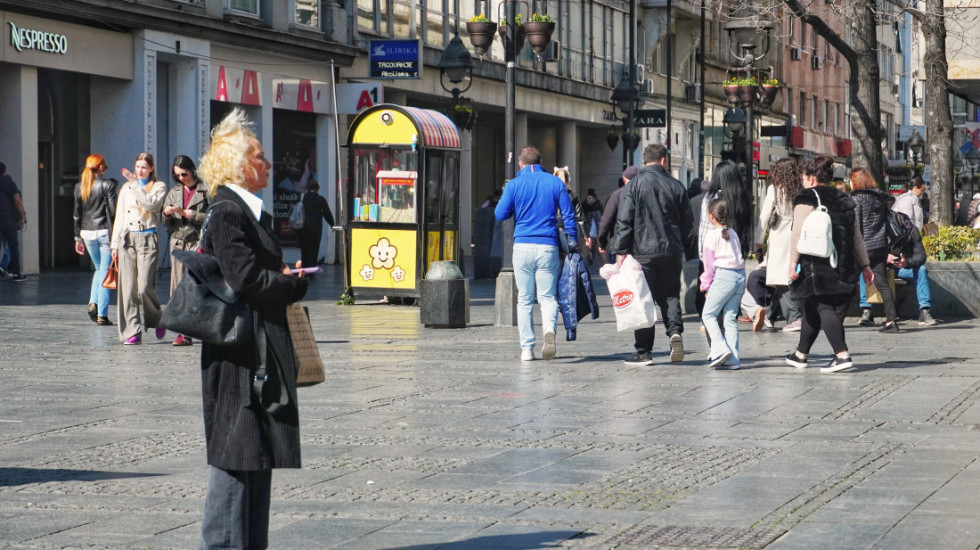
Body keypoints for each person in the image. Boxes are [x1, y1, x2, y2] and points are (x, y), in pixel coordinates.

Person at [196, 108, 309, 550]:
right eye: (260, 156)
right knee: (237, 452)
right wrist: (290, 285)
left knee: (256, 452)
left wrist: (282, 276)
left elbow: (249, 272)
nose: (269, 163)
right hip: (239, 352)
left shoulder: (246, 211)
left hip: (255, 346)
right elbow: (244, 278)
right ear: (240, 165)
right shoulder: (228, 211)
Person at [785, 155, 874, 374]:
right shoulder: (845, 199)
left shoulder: (806, 198)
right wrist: (865, 265)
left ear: (811, 178)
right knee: (811, 307)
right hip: (843, 261)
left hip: (816, 264)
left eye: (803, 178)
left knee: (823, 306)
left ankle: (841, 355)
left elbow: (797, 234)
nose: (803, 182)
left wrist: (792, 263)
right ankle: (800, 354)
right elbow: (856, 237)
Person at [610, 143, 693, 366]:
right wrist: (687, 249)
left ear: (644, 162)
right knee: (670, 295)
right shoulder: (677, 186)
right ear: (663, 161)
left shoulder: (634, 186)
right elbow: (688, 223)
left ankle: (644, 351)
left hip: (643, 252)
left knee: (643, 298)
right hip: (671, 251)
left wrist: (620, 251)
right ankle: (675, 332)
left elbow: (624, 220)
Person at [495, 146, 577, 362]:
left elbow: (500, 214)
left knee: (524, 299)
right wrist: (572, 240)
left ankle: (526, 349)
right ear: (541, 162)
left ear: (520, 164)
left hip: (522, 245)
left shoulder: (514, 184)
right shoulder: (555, 183)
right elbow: (568, 215)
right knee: (548, 296)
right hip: (548, 245)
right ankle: (549, 330)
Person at [110, 153, 167, 345]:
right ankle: (132, 330)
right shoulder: (126, 188)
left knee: (144, 287)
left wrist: (136, 185)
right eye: (137, 167)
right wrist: (114, 244)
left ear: (151, 169)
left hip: (147, 237)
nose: (139, 170)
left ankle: (157, 318)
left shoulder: (158, 187)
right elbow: (120, 217)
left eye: (144, 167)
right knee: (128, 288)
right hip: (128, 238)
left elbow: (150, 204)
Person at [162, 155, 209, 346]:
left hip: (197, 242)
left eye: (184, 174)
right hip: (178, 242)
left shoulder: (205, 190)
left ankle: (203, 327)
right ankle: (183, 333)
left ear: (191, 170)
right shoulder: (174, 192)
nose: (181, 178)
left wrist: (194, 215)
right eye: (177, 176)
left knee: (197, 287)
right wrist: (166, 213)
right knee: (178, 288)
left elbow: (214, 216)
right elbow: (165, 222)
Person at [754, 158, 803, 332]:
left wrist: (758, 240)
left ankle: (794, 317)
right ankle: (769, 314)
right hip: (797, 232)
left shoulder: (774, 190)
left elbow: (764, 216)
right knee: (781, 276)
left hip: (780, 235)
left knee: (781, 278)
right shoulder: (800, 189)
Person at [850, 168, 900, 333]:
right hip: (880, 247)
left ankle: (835, 317)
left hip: (863, 247)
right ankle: (891, 320)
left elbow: (856, 226)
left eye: (851, 180)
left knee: (847, 282)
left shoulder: (856, 199)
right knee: (883, 284)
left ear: (856, 181)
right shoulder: (880, 198)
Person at [699, 198, 746, 370]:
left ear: (711, 216)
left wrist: (705, 285)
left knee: (708, 315)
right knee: (730, 317)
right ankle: (733, 359)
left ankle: (720, 349)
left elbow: (708, 265)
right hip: (740, 276)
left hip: (724, 277)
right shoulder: (733, 233)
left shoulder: (711, 236)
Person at [73, 154, 118, 325]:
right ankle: (102, 314)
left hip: (86, 232)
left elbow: (77, 213)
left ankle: (93, 302)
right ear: (101, 168)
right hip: (104, 231)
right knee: (105, 271)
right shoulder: (108, 185)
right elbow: (113, 211)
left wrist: (77, 237)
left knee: (99, 269)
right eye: (105, 166)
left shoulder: (80, 186)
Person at [294, 180, 335, 276]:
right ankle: (311, 271)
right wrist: (332, 224)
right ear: (317, 188)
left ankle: (304, 270)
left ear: (308, 188)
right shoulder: (320, 200)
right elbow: (327, 213)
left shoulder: (303, 199)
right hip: (316, 229)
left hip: (303, 228)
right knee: (314, 250)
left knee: (304, 250)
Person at [596, 166, 637, 262]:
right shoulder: (644, 194)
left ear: (624, 179)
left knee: (617, 270)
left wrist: (601, 242)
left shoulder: (617, 195)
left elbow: (606, 220)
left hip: (619, 244)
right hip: (640, 246)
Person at [0, 162, 27, 281]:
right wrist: (23, 215)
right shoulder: (9, 183)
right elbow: (18, 201)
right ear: (4, 171)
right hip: (8, 219)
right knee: (13, 246)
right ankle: (16, 273)